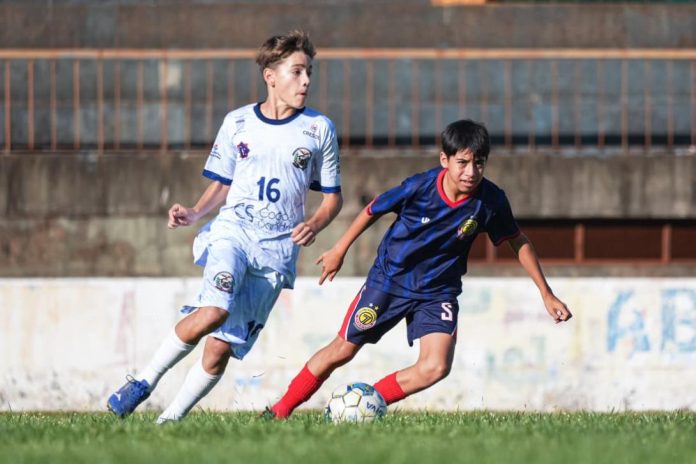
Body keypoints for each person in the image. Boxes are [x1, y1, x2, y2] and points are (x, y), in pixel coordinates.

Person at [107, 30, 343, 423]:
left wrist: (315, 223)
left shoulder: (320, 128)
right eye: (297, 72)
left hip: (276, 252)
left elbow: (333, 198)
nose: (306, 81)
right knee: (214, 310)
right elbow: (223, 183)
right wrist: (196, 212)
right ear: (270, 76)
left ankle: (168, 422)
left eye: (309, 73)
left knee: (219, 349)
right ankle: (143, 381)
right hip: (233, 232)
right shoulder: (238, 122)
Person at [267, 119, 572, 418]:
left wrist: (546, 293)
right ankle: (280, 411)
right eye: (462, 162)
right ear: (445, 160)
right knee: (343, 350)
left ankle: (365, 403)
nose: (471, 172)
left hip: (438, 292)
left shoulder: (491, 200)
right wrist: (339, 249)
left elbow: (517, 241)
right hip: (390, 281)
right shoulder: (419, 187)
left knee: (435, 367)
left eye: (479, 163)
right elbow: (373, 208)